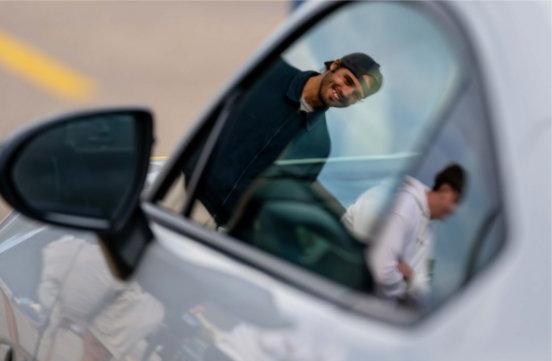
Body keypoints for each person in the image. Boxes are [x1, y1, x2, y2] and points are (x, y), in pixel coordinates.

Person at [188, 53, 383, 226]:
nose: (346, 93)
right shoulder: (268, 71)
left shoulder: (319, 146)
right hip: (185, 195)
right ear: (335, 65)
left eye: (356, 95)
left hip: (226, 233)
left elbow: (281, 204)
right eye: (348, 81)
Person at [342, 164, 466, 304]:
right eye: (455, 201)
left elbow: (421, 285)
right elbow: (382, 268)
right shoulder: (402, 206)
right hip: (352, 294)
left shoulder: (428, 228)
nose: (454, 210)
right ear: (445, 189)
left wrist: (410, 279)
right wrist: (405, 285)